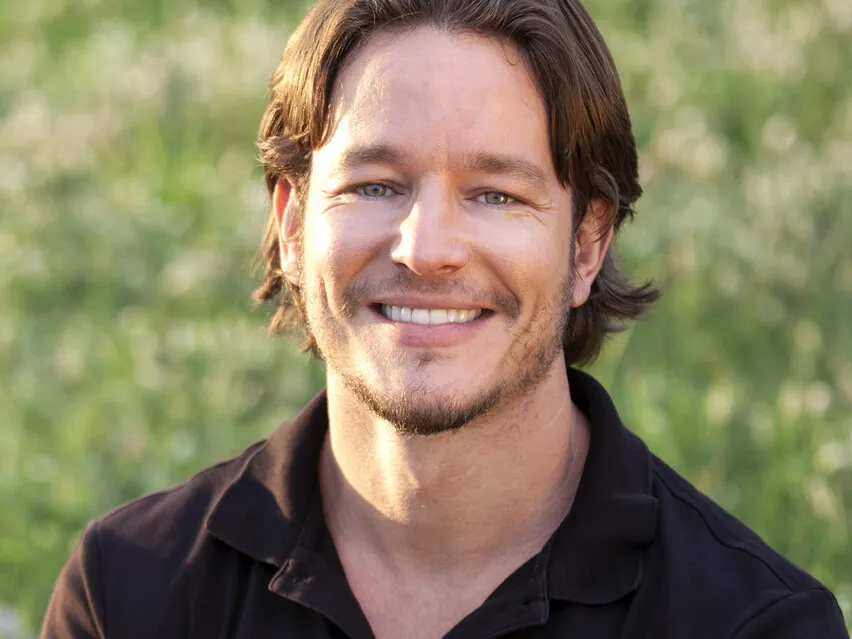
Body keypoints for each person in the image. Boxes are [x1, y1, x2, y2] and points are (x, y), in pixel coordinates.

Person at [43, 0, 848, 637]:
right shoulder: (129, 594)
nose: (426, 249)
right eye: (374, 185)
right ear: (291, 224)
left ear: (587, 244)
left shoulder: (754, 622)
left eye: (495, 194)